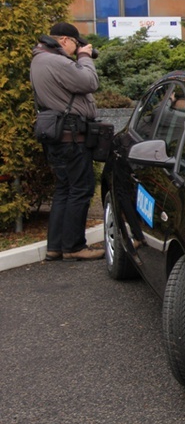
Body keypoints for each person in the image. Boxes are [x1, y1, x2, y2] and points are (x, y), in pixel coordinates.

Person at [30, 22, 104, 261]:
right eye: (76, 43)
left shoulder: (39, 59)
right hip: (72, 138)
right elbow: (89, 82)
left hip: (57, 136)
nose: (77, 47)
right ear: (63, 40)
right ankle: (73, 247)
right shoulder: (57, 61)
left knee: (64, 189)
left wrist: (79, 54)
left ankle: (55, 246)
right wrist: (84, 57)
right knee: (81, 189)